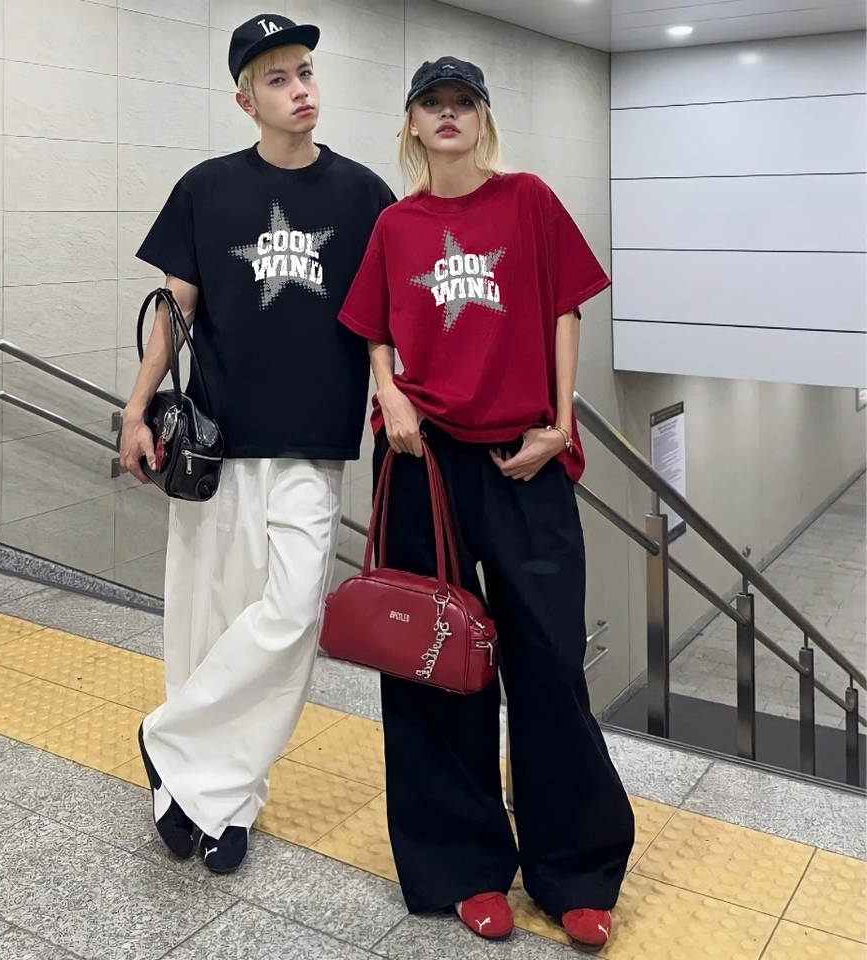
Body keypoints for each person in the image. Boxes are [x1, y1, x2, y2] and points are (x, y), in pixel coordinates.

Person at [337, 57, 635, 952]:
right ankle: (462, 866)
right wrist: (389, 395)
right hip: (422, 459)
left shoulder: (528, 200)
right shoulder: (396, 223)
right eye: (432, 103)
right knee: (433, 661)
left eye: (463, 102)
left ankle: (574, 870)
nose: (448, 114)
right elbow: (372, 329)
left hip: (524, 459)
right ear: (412, 124)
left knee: (548, 660)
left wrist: (560, 419)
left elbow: (567, 309)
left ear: (482, 119)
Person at [119, 13, 395, 875]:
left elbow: (387, 320)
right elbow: (175, 310)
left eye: (306, 70)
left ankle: (170, 741)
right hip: (217, 440)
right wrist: (136, 409)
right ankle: (222, 800)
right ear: (247, 101)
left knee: (291, 613)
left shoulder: (365, 195)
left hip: (314, 441)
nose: (301, 89)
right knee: (207, 619)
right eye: (278, 78)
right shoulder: (206, 188)